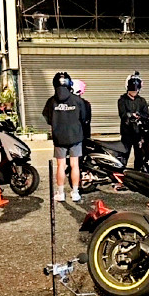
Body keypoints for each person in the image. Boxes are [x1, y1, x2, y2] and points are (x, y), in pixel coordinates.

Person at [42, 72, 86, 202]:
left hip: (59, 137)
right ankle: (75, 192)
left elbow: (48, 118)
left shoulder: (51, 101)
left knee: (61, 165)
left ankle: (60, 193)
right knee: (74, 165)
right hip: (75, 137)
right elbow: (83, 118)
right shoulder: (77, 100)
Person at [117, 71, 149, 170]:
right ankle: (121, 171)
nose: (134, 93)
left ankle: (137, 172)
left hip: (139, 132)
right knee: (124, 154)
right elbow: (122, 114)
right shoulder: (122, 100)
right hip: (127, 132)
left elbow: (146, 114)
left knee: (139, 155)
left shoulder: (141, 101)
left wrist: (139, 116)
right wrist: (130, 115)